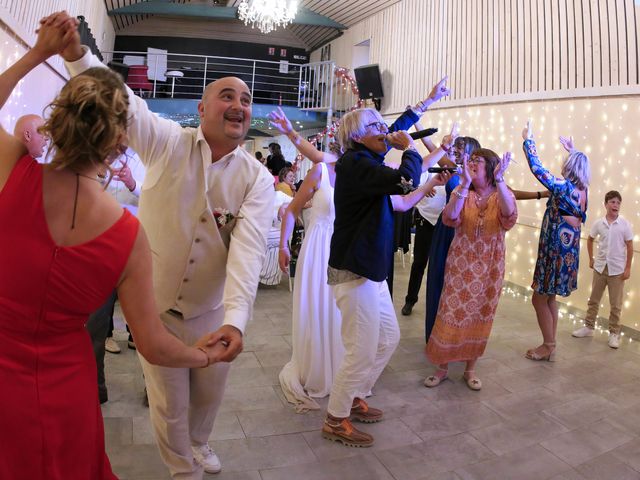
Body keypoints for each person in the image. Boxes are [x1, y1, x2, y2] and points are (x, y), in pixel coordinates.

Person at [0, 14, 228, 480]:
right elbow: (154, 344)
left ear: (58, 117)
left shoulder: (15, 173)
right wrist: (203, 355)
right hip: (67, 389)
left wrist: (40, 52)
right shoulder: (127, 235)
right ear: (121, 140)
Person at [61, 15, 274, 479]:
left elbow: (248, 252)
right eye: (227, 95)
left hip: (211, 309)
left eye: (246, 99)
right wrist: (78, 56)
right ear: (201, 108)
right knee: (168, 401)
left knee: (208, 396)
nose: (239, 104)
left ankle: (198, 443)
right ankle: (182, 468)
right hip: (154, 310)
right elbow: (126, 104)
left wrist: (235, 320)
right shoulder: (166, 143)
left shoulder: (257, 178)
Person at [322, 106, 450, 448]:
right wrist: (408, 147)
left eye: (383, 124)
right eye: (376, 126)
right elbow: (406, 180)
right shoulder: (355, 163)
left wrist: (404, 139)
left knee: (387, 338)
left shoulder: (368, 163)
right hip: (355, 269)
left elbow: (404, 189)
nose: (384, 129)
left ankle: (355, 395)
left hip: (371, 270)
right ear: (356, 136)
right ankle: (336, 418)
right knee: (360, 349)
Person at [424, 149, 517, 390]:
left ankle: (470, 369)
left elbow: (509, 215)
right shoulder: (463, 191)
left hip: (490, 265)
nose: (472, 164)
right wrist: (464, 184)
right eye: (471, 160)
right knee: (450, 311)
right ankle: (442, 367)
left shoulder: (501, 194)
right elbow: (450, 216)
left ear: (492, 168)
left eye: (478, 161)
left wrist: (501, 180)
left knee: (481, 314)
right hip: (461, 263)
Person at [522, 122, 590, 361]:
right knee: (549, 298)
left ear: (569, 168)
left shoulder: (562, 187)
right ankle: (550, 344)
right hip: (567, 252)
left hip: (554, 251)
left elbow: (537, 168)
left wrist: (528, 140)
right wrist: (573, 151)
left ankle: (548, 345)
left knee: (539, 298)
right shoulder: (583, 192)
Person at [424, 136, 480, 342]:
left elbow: (506, 193)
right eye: (454, 149)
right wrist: (420, 126)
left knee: (461, 284)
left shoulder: (478, 175)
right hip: (446, 228)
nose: (454, 152)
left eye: (460, 149)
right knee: (439, 278)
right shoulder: (453, 168)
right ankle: (435, 333)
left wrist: (538, 194)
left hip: (465, 231)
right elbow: (432, 149)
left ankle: (458, 335)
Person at [572, 190, 633, 348]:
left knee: (616, 305)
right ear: (606, 204)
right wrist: (591, 258)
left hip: (617, 271)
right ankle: (589, 327)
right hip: (600, 268)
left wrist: (627, 268)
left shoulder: (624, 224)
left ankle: (614, 333)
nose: (616, 205)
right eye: (612, 202)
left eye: (618, 203)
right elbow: (590, 239)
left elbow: (630, 246)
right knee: (593, 300)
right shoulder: (599, 223)